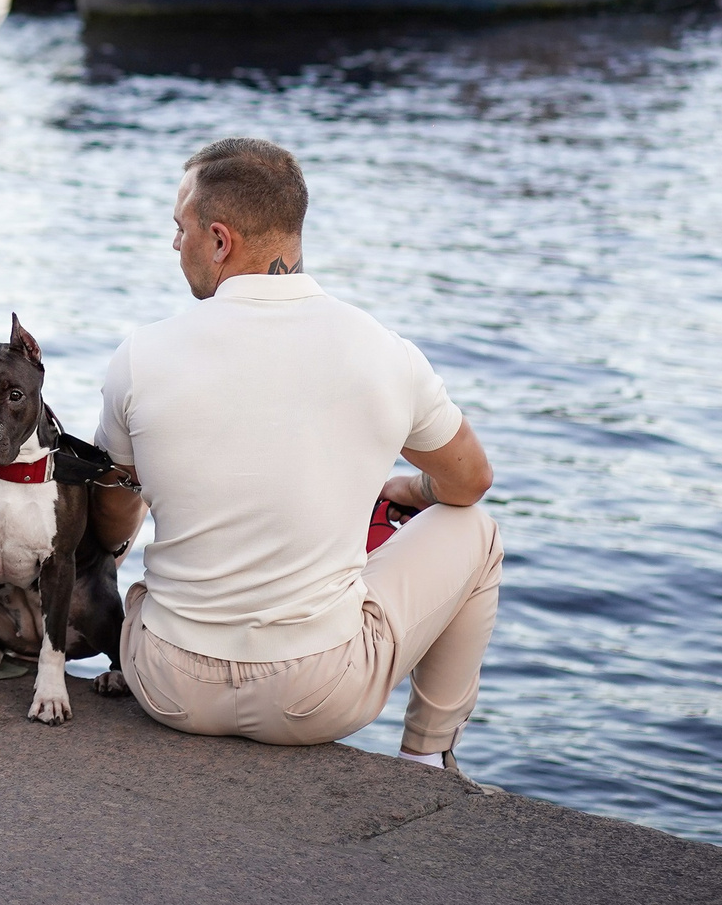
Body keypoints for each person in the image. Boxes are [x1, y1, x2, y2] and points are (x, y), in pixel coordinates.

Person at [89, 137, 502, 773]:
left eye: (181, 229)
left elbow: (113, 515)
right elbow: (470, 483)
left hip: (167, 686)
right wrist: (409, 491)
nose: (176, 245)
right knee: (477, 530)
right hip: (318, 695)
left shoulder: (141, 355)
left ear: (220, 240)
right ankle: (428, 760)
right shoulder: (383, 352)